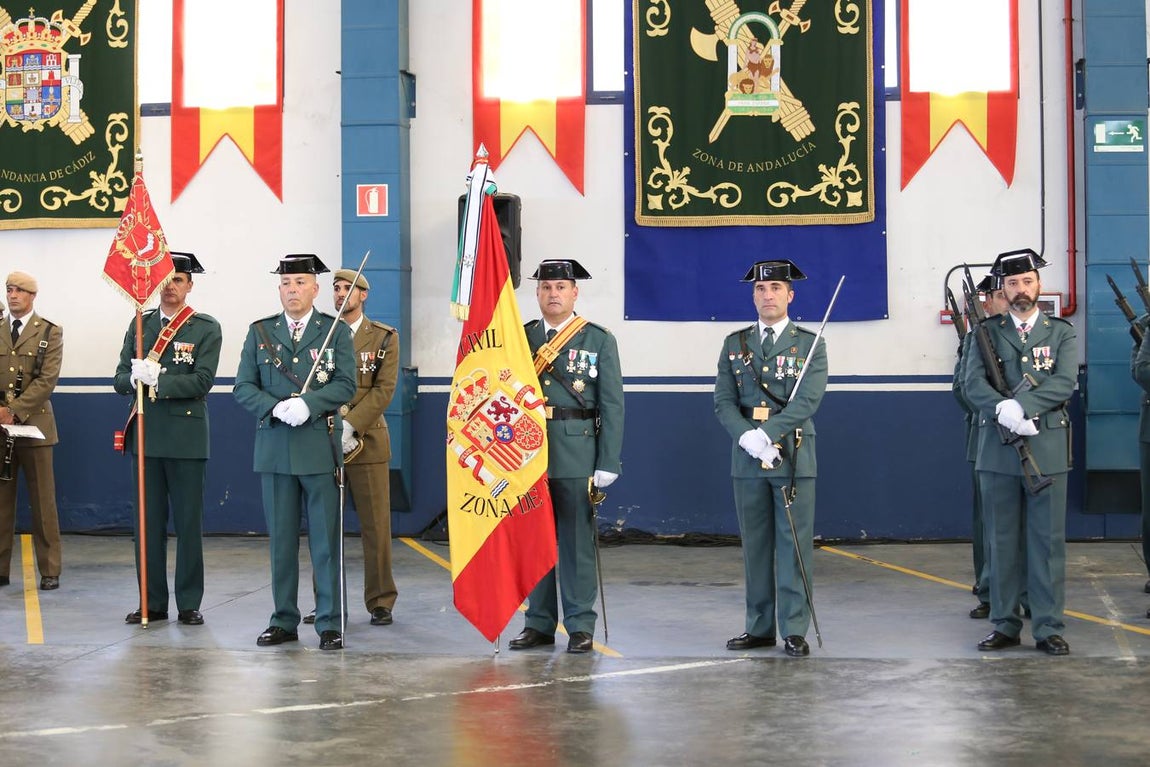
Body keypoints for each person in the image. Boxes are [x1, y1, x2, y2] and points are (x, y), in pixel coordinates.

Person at [234, 255, 356, 651]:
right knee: (281, 543)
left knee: (325, 541)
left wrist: (311, 404)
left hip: (318, 447)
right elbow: (243, 386)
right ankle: (283, 619)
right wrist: (273, 407)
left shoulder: (334, 331)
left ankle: (329, 623)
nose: (292, 290)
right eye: (286, 283)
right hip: (274, 447)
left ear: (315, 288)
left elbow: (346, 384)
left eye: (301, 282)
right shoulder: (260, 332)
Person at [508, 259, 623, 654]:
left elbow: (612, 405)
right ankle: (538, 622)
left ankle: (579, 624)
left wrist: (608, 460)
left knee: (575, 542)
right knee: (534, 541)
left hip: (577, 449)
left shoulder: (597, 340)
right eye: (545, 288)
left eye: (560, 287)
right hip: (528, 452)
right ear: (537, 294)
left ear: (575, 293)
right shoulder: (520, 337)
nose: (552, 294)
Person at [964, 249, 1076, 655]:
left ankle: (1047, 627)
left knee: (1047, 543)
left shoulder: (1060, 332)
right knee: (1002, 541)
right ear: (1003, 289)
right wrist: (1002, 408)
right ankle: (1005, 624)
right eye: (1012, 284)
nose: (1020, 290)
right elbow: (972, 384)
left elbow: (1064, 383)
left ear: (1038, 285)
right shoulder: (986, 333)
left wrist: (1024, 406)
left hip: (1045, 447)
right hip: (998, 449)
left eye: (1027, 281)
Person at [714, 259, 828, 657]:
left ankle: (794, 629)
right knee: (756, 545)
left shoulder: (810, 342)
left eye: (776, 288)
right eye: (761, 290)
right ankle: (759, 626)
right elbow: (724, 401)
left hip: (792, 452)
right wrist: (747, 437)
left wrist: (768, 433)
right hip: (747, 455)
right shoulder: (735, 343)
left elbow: (809, 400)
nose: (768, 295)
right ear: (753, 296)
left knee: (793, 544)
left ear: (790, 295)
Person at [113, 252, 221, 625]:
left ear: (190, 285)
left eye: (179, 279)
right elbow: (116, 379)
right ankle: (152, 602)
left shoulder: (205, 327)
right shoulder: (140, 324)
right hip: (146, 436)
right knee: (147, 525)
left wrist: (159, 379)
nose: (171, 286)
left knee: (189, 525)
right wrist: (132, 378)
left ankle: (189, 602)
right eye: (166, 279)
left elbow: (203, 380)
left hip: (187, 439)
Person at [332, 268, 399, 626]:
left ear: (364, 295)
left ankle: (380, 599)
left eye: (349, 289)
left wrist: (351, 423)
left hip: (367, 439)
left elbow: (384, 389)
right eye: (337, 289)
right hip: (325, 438)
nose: (341, 295)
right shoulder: (322, 333)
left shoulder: (384, 337)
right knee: (326, 526)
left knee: (375, 526)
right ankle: (327, 600)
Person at [0, 272, 63, 591]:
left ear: (32, 296)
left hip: (35, 426)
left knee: (43, 503)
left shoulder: (49, 332)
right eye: (9, 290)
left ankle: (50, 569)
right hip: (1, 428)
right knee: (1, 502)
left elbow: (47, 380)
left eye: (20, 291)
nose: (13, 295)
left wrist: (14, 409)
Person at [956, 273, 1010, 620]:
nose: (998, 300)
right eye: (995, 295)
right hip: (987, 436)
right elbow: (962, 389)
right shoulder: (978, 337)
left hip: (1032, 435)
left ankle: (1028, 594)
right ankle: (990, 590)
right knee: (989, 526)